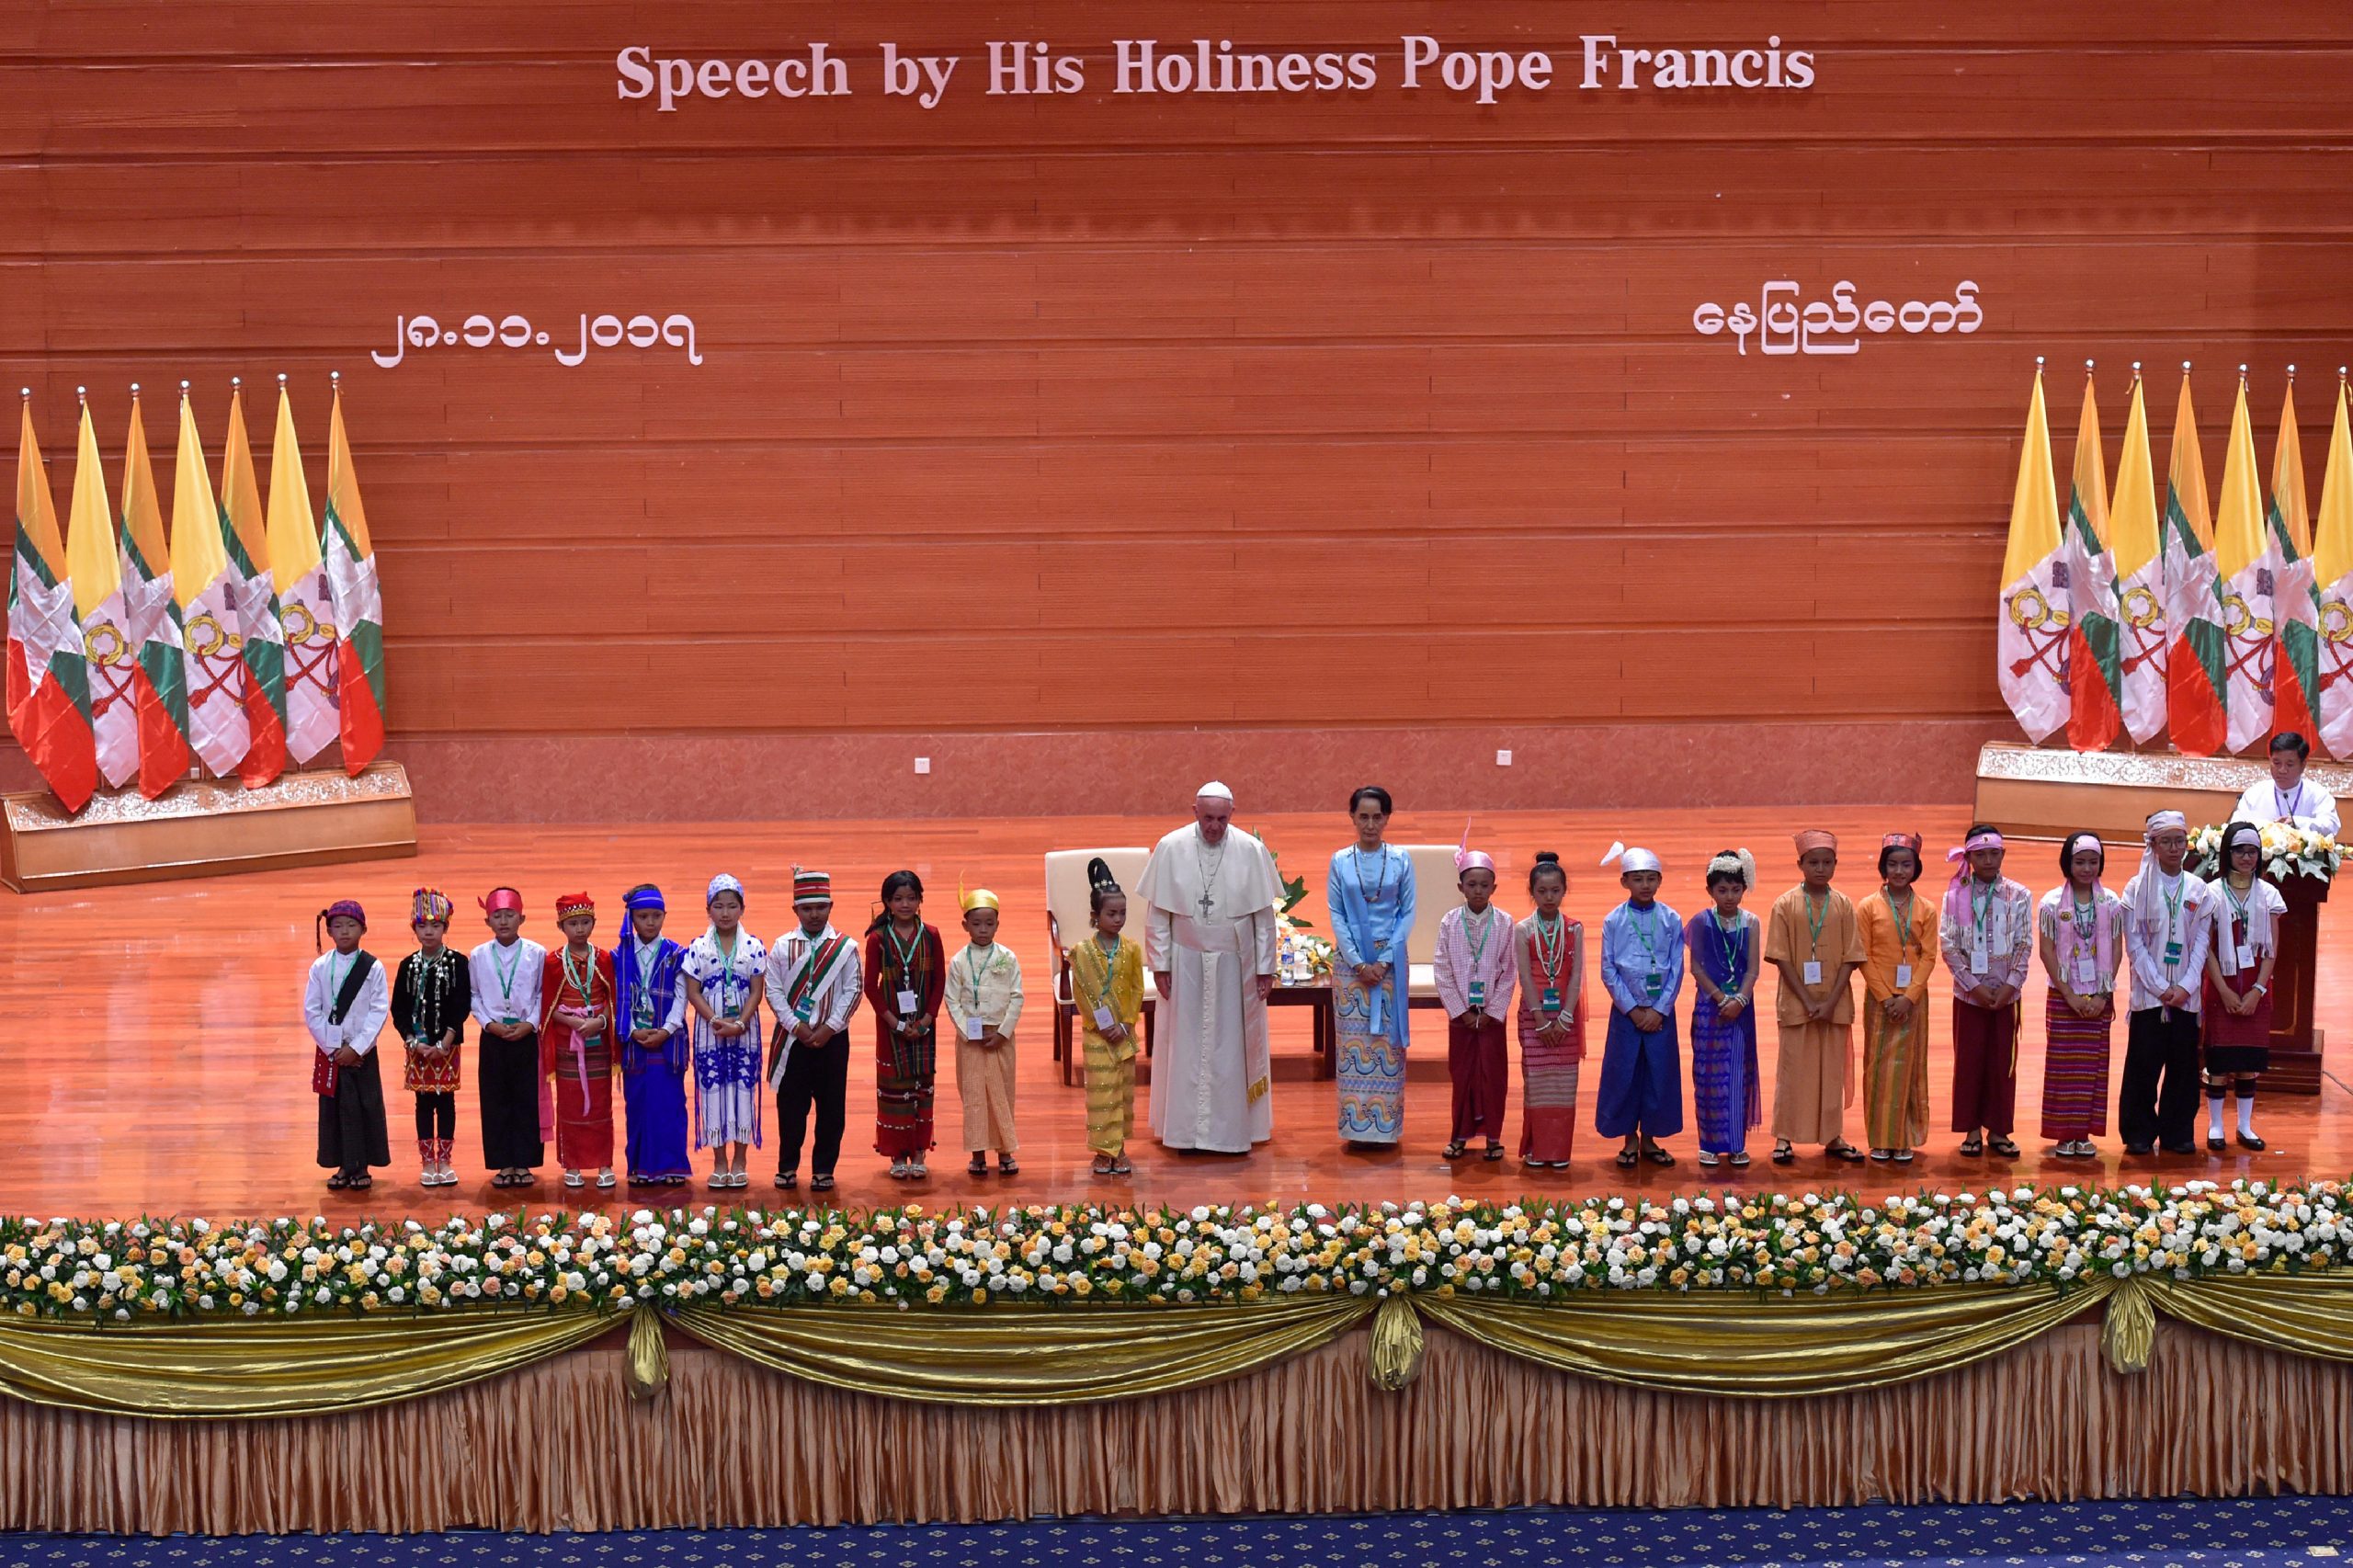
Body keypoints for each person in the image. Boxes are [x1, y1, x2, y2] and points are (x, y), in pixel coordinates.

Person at [1135, 782, 1284, 1153]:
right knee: (1185, 1045)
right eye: (1207, 819)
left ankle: (1231, 1132)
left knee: (1229, 1049)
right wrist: (1160, 964)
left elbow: (1263, 917)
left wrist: (1265, 967)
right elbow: (1158, 915)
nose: (1214, 827)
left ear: (1232, 814)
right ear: (1194, 811)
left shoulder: (1250, 850)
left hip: (1236, 966)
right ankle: (1185, 1131)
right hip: (1185, 963)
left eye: (1221, 818)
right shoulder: (1171, 847)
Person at [1765, 830, 1868, 1165]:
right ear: (1800, 864)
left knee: (1831, 1070)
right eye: (1813, 862)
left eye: (1827, 862)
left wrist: (1831, 999)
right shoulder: (1784, 905)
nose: (1820, 868)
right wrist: (1808, 1001)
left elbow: (1852, 957)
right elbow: (1780, 957)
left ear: (1836, 864)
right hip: (1798, 1005)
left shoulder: (1843, 905)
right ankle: (1784, 1136)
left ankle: (1833, 1135)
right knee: (1793, 1068)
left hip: (1834, 1004)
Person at [1938, 824, 2034, 1158]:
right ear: (1969, 857)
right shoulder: (1954, 896)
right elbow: (1948, 945)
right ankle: (1971, 1129)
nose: (1989, 860)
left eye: (1995, 853)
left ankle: (1999, 1130)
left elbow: (2024, 943)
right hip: (1969, 997)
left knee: (2002, 1064)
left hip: (2007, 996)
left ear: (2003, 854)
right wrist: (1974, 987)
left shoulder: (2019, 895)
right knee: (1969, 1062)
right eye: (1981, 854)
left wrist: (2011, 985)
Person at [1328, 785, 1416, 1148]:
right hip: (1352, 970)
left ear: (1387, 818)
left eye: (1377, 816)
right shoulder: (1340, 861)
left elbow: (1407, 912)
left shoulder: (1400, 859)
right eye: (1362, 816)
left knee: (1387, 1046)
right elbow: (1337, 912)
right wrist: (1358, 961)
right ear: (1352, 817)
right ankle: (1355, 1129)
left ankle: (1386, 1129)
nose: (1369, 824)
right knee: (1353, 1049)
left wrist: (1382, 960)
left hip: (1390, 964)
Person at [2120, 810, 2212, 1154]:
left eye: (2180, 841)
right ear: (2153, 845)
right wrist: (2160, 987)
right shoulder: (2137, 889)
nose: (2175, 848)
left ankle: (2177, 1132)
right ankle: (2139, 1131)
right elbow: (2135, 944)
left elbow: (2201, 943)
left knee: (2184, 1067)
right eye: (2166, 842)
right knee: (2143, 1064)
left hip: (2186, 997)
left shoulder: (2199, 889)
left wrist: (2186, 986)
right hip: (2149, 996)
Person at [765, 869, 863, 1192]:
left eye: (820, 907)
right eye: (807, 909)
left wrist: (829, 1028)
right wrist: (797, 1025)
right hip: (793, 1039)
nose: (814, 914)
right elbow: (773, 990)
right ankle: (787, 1166)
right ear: (795, 910)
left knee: (831, 1106)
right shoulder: (781, 946)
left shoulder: (845, 948)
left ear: (831, 907)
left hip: (832, 1040)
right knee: (791, 1107)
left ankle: (824, 1168)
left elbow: (854, 990)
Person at [1596, 842, 1684, 1168]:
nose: (1645, 885)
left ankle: (1650, 1140)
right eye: (1637, 879)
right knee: (1625, 1073)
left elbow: (1676, 967)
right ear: (1624, 883)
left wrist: (1660, 1008)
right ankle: (1629, 1139)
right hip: (1626, 1015)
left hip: (1661, 1015)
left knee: (1659, 1075)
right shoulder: (1613, 920)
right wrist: (1632, 1009)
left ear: (1659, 881)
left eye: (1651, 878)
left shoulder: (1671, 918)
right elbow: (1608, 969)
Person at [2038, 833, 2126, 1157]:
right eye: (2080, 862)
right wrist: (2070, 995)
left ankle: (2084, 1133)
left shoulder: (2112, 903)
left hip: (2098, 996)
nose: (2087, 868)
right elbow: (2047, 952)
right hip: (2064, 996)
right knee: (2064, 1065)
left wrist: (2103, 994)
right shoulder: (2049, 904)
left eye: (2093, 861)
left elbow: (2117, 949)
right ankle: (2064, 1133)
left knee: (2093, 1066)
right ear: (2067, 863)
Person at [2203, 821, 2286, 1152]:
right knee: (2219, 1062)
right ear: (2227, 853)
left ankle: (2245, 1126)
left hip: (2255, 991)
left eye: (2252, 851)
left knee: (2249, 1063)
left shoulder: (2269, 895)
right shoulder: (2211, 892)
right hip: (2219, 989)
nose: (2247, 857)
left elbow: (2271, 950)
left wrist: (2257, 991)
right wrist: (2223, 990)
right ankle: (2216, 1126)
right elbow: (2204, 947)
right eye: (2240, 851)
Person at [682, 873, 767, 1189]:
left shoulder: (754, 946)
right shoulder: (697, 948)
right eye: (718, 906)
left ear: (742, 909)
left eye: (732, 906)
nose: (726, 913)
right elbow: (693, 992)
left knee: (743, 1092)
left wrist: (740, 1023)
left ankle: (741, 1160)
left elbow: (757, 992)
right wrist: (716, 1020)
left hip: (745, 1032)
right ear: (709, 909)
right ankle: (719, 1162)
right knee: (713, 1092)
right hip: (710, 1031)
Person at [1857, 834, 1938, 1165]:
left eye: (1906, 864)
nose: (1899, 870)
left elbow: (1929, 957)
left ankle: (1904, 1137)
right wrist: (1886, 996)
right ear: (1883, 866)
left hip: (1913, 1001)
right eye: (1893, 864)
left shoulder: (1926, 909)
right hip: (1880, 1000)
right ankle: (1880, 1138)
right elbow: (1863, 955)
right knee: (1878, 1068)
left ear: (1916, 867)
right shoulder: (1868, 907)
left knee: (1911, 1066)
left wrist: (1909, 996)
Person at [1433, 835, 1515, 1161]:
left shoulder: (1506, 923)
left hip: (1492, 1018)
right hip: (1462, 1017)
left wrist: (1494, 1010)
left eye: (1484, 884)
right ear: (1460, 887)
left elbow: (1509, 972)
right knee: (1463, 1074)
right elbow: (1442, 969)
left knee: (1494, 1076)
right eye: (1471, 884)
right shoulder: (1449, 923)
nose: (1478, 890)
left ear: (1494, 887)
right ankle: (1459, 1136)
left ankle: (1494, 1136)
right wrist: (1460, 1010)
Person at [864, 869, 946, 1178]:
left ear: (920, 900)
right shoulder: (878, 939)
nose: (905, 904)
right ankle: (898, 1154)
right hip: (891, 1029)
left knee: (922, 1088)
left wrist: (927, 1019)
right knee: (894, 1090)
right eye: (898, 899)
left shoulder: (932, 935)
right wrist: (895, 1023)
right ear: (887, 902)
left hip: (924, 1026)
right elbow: (870, 987)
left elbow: (939, 980)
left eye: (911, 898)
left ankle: (920, 1152)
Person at [1070, 858, 1147, 1176]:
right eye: (1111, 914)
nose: (1118, 919)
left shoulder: (1131, 949)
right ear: (1095, 916)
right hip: (1097, 1033)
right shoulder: (1082, 952)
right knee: (1101, 1092)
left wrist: (1127, 1023)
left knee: (1122, 1091)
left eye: (1123, 913)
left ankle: (1121, 1149)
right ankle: (1103, 1152)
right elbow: (1081, 994)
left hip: (1124, 1032)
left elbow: (1136, 988)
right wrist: (1106, 1026)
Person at [308, 898, 391, 1191]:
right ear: (328, 930)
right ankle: (343, 1165)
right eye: (338, 926)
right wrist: (334, 1049)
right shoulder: (320, 967)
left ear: (363, 929)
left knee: (365, 1106)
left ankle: (362, 1166)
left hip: (363, 1052)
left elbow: (379, 1009)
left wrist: (357, 1048)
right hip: (332, 1053)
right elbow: (312, 1010)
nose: (344, 931)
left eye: (351, 925)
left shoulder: (373, 967)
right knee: (337, 1109)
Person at [1686, 847, 1761, 1169]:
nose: (1729, 896)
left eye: (1735, 889)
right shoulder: (1701, 922)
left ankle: (1736, 1143)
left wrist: (1740, 1000)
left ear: (1744, 889)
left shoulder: (1752, 922)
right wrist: (1721, 999)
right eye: (1722, 890)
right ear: (1709, 891)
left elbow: (1753, 969)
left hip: (1742, 1009)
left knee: (1737, 1073)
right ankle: (1709, 1144)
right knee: (1707, 1075)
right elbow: (1697, 968)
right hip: (1710, 1008)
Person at [392, 888, 471, 1188]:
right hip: (418, 1048)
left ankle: (446, 1160)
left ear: (445, 928)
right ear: (414, 928)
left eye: (435, 926)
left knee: (446, 1103)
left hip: (447, 1047)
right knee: (423, 1104)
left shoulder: (458, 962)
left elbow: (463, 1004)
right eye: (422, 926)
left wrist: (447, 1040)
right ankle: (427, 1161)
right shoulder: (406, 965)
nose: (428, 932)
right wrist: (413, 1041)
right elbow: (398, 1008)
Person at [539, 892, 618, 1189]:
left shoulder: (606, 958)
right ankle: (571, 1163)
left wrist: (599, 1021)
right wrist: (570, 1021)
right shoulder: (553, 962)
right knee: (570, 1104)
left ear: (594, 923)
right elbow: (547, 1006)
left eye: (585, 922)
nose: (580, 929)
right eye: (573, 924)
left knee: (601, 1104)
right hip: (567, 1043)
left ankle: (604, 1163)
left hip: (597, 1041)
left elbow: (612, 998)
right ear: (561, 927)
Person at [614, 883, 690, 1187]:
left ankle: (672, 1165)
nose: (650, 922)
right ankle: (640, 1166)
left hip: (667, 1042)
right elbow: (618, 997)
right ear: (632, 918)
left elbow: (682, 996)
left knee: (670, 1105)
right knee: (639, 1104)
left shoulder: (677, 954)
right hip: (636, 1044)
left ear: (664, 916)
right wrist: (633, 1029)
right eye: (643, 916)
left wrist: (666, 1029)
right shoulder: (620, 955)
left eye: (656, 916)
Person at [946, 883, 1026, 1176]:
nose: (983, 929)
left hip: (1000, 1038)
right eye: (976, 923)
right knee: (974, 1095)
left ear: (997, 924)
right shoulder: (957, 961)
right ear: (965, 924)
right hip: (971, 1040)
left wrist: (1003, 1031)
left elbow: (1017, 996)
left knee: (1003, 1093)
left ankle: (1005, 1152)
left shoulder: (1008, 957)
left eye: (989, 923)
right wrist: (969, 1032)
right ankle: (978, 1154)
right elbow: (952, 1000)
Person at [468, 888, 545, 1187]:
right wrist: (489, 1024)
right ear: (488, 921)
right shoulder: (478, 955)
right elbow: (474, 996)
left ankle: (524, 1161)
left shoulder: (536, 953)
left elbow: (542, 993)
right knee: (495, 1099)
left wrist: (531, 1023)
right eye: (497, 916)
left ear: (522, 917)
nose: (503, 921)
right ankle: (503, 1163)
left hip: (527, 1035)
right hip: (494, 1037)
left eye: (509, 915)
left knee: (526, 1098)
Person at [1513, 853, 1584, 1169]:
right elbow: (1525, 976)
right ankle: (1538, 1147)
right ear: (1532, 893)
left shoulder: (1574, 929)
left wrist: (1566, 1017)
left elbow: (1577, 974)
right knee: (1538, 1085)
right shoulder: (1523, 930)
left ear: (1564, 891)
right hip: (1535, 1017)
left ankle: (1559, 1150)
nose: (1549, 897)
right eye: (1542, 892)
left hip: (1567, 1019)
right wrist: (1541, 1019)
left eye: (1555, 891)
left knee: (1564, 1085)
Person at [2230, 732, 2341, 835]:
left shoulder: (2318, 794)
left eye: (2290, 764)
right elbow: (2235, 827)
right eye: (2277, 763)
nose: (2282, 770)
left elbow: (2331, 825)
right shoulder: (2254, 793)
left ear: (2303, 765)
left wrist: (2297, 823)